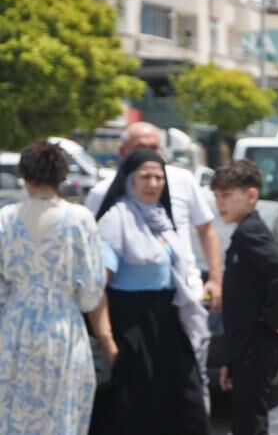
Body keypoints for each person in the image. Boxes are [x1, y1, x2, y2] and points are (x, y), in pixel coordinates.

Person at [85, 121, 221, 411]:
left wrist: (215, 279)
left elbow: (205, 230)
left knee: (187, 401)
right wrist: (108, 341)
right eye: (144, 175)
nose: (153, 183)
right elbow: (96, 283)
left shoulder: (165, 210)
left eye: (157, 175)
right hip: (131, 323)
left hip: (174, 312)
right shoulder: (113, 214)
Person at [0, 141, 105, 434]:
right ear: (61, 176)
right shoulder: (79, 219)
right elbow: (91, 293)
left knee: (14, 413)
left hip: (14, 326)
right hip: (63, 327)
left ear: (25, 176)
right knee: (63, 413)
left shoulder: (5, 218)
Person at [212, 160, 278, 435]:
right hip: (244, 345)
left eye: (226, 196)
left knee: (251, 422)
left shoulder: (251, 232)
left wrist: (272, 321)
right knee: (244, 419)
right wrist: (230, 358)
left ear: (251, 195)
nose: (220, 203)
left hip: (256, 343)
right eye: (217, 197)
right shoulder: (244, 232)